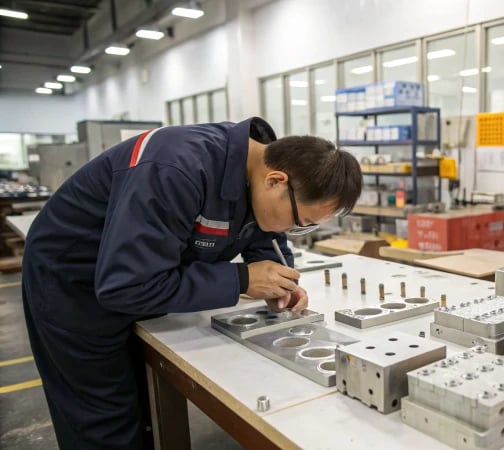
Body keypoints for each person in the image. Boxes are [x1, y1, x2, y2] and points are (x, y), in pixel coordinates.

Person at [21, 117, 362, 450]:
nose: (293, 232)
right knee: (104, 416)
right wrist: (242, 279)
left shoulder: (253, 170)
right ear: (275, 180)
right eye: (300, 222)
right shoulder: (176, 168)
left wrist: (278, 278)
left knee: (144, 404)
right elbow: (126, 286)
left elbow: (257, 231)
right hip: (74, 280)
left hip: (138, 273)